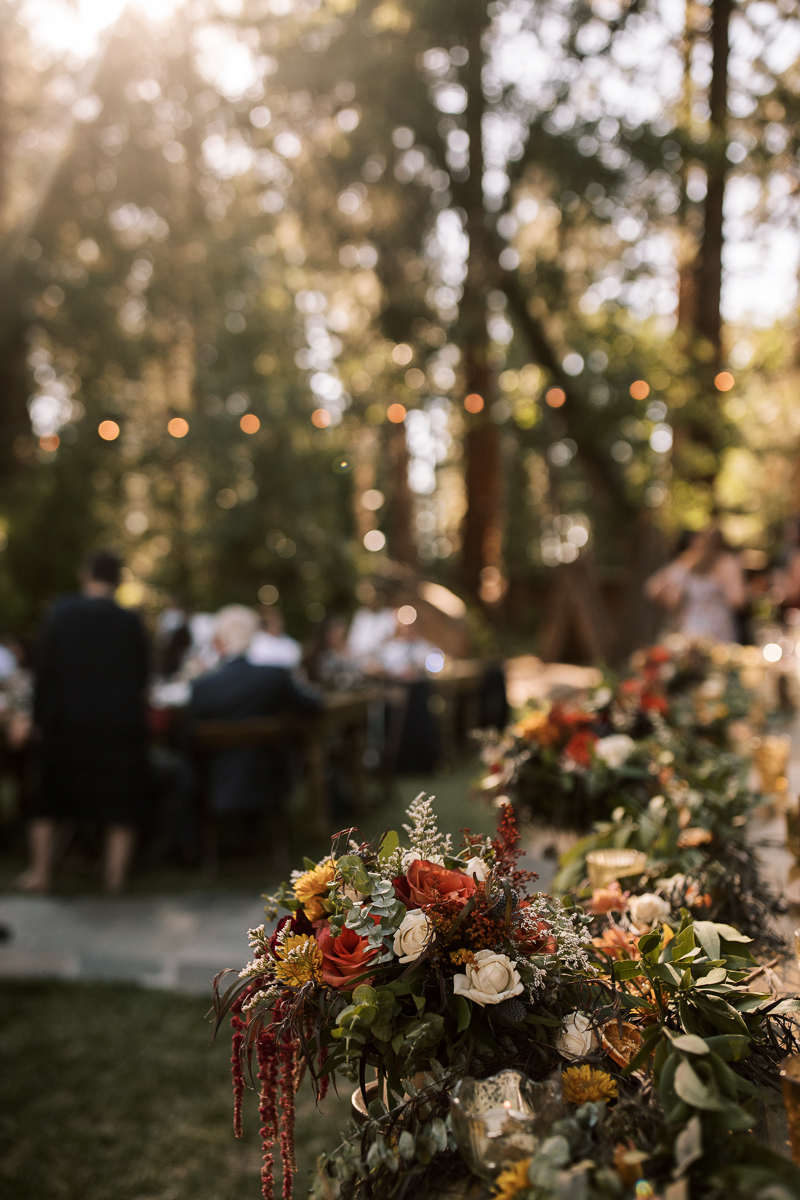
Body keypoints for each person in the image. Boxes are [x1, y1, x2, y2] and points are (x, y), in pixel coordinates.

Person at [19, 550, 152, 893]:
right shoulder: (130, 621)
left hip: (66, 725)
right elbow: (142, 675)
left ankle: (40, 874)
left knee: (48, 801)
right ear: (118, 580)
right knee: (121, 803)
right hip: (119, 726)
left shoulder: (60, 613)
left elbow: (43, 673)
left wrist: (37, 719)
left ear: (85, 575)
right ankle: (114, 879)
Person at [187, 605, 321, 819]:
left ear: (219, 641)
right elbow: (313, 706)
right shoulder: (275, 677)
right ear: (253, 638)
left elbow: (187, 740)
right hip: (270, 780)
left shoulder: (202, 687)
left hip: (214, 787)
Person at [645, 525, 746, 643]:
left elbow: (653, 588)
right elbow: (737, 599)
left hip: (692, 629)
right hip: (716, 631)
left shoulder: (688, 561)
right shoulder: (725, 562)